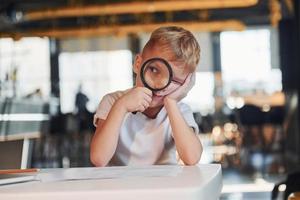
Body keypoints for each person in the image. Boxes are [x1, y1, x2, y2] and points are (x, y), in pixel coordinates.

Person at [90, 26, 202, 166]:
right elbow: (99, 159)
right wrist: (121, 106)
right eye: (154, 70)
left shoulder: (179, 110)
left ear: (185, 85)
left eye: (173, 81)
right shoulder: (112, 101)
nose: (160, 85)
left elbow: (192, 158)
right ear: (138, 64)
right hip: (120, 185)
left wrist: (171, 103)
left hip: (165, 185)